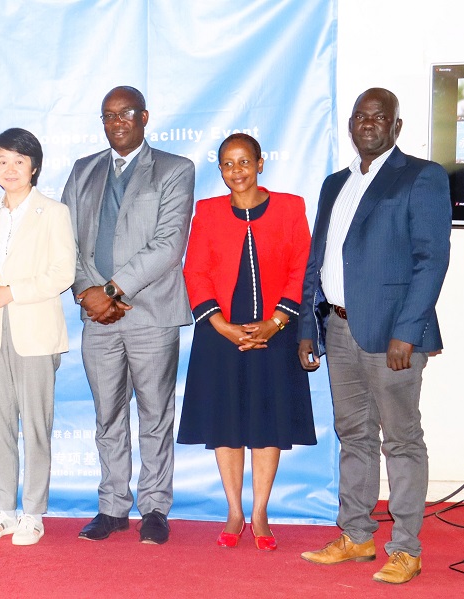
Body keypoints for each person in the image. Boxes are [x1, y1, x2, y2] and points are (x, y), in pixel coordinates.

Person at [297, 88, 450, 585]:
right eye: (361, 116)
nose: (369, 124)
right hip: (338, 329)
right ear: (350, 124)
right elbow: (317, 261)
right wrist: (308, 327)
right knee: (354, 436)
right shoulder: (334, 184)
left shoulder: (421, 177)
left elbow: (432, 260)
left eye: (379, 117)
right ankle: (357, 535)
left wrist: (407, 331)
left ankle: (406, 548)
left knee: (402, 441)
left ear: (396, 127)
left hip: (392, 338)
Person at [60, 86, 195, 545]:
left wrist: (113, 290)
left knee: (156, 415)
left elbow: (169, 243)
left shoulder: (175, 169)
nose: (117, 122)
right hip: (97, 317)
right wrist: (87, 292)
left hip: (151, 312)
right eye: (108, 115)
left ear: (144, 117)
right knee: (108, 415)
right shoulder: (83, 171)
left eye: (126, 114)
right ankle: (112, 507)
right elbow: (66, 243)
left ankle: (154, 507)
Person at [176, 133, 316, 551]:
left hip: (276, 331)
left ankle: (260, 514)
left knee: (266, 424)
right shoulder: (208, 211)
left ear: (260, 163)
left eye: (243, 162)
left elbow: (301, 268)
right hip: (221, 334)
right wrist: (222, 325)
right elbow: (194, 272)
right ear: (220, 170)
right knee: (228, 425)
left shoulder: (291, 207)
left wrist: (275, 322)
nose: (236, 171)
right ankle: (234, 510)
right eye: (227, 164)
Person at [0, 128, 75, 546]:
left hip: (35, 332)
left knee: (36, 425)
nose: (10, 169)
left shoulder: (54, 213)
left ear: (35, 168)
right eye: (3, 161)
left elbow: (63, 273)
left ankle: (33, 513)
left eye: (19, 162)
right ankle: (4, 511)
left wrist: (15, 292)